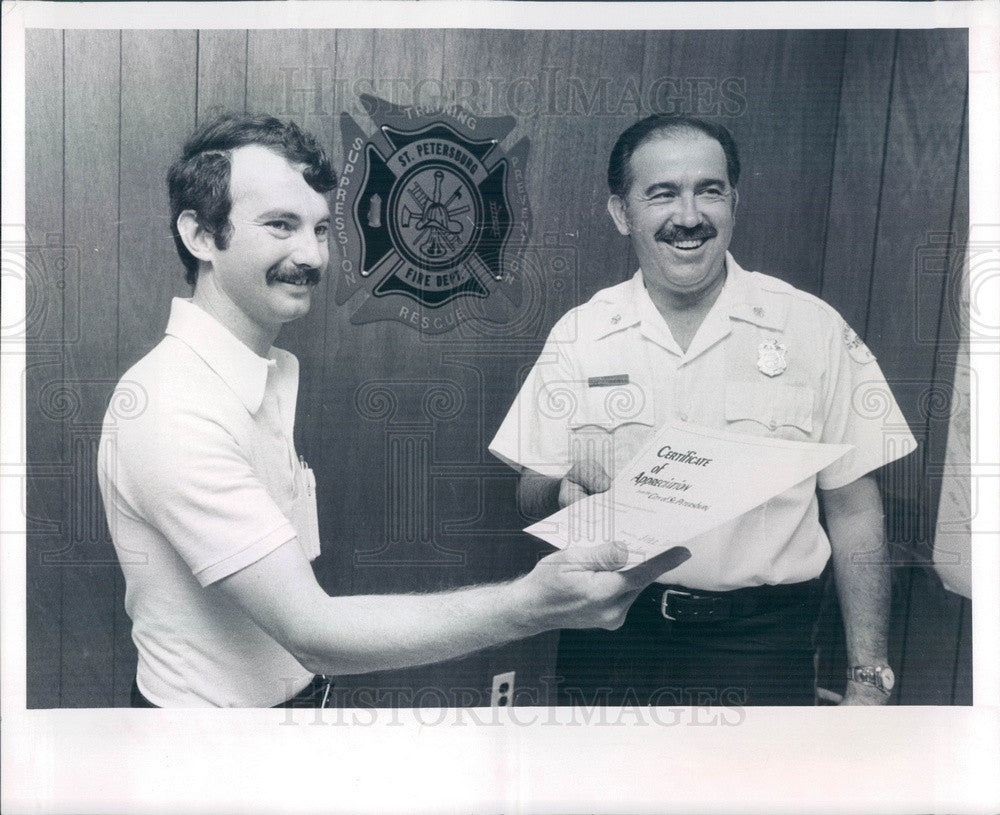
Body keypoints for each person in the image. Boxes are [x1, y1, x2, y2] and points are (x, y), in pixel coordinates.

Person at [96, 112, 691, 708]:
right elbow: (314, 634)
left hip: (290, 714)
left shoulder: (261, 373)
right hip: (206, 753)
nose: (311, 256)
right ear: (201, 235)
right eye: (280, 226)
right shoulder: (172, 406)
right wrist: (530, 605)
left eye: (321, 229)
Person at [489, 114, 916, 706]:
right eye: (662, 193)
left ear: (734, 203)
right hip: (612, 635)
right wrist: (569, 493)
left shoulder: (811, 328)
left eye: (708, 191)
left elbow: (854, 508)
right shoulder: (581, 333)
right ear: (621, 213)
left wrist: (869, 678)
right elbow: (531, 488)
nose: (688, 216)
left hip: (762, 645)